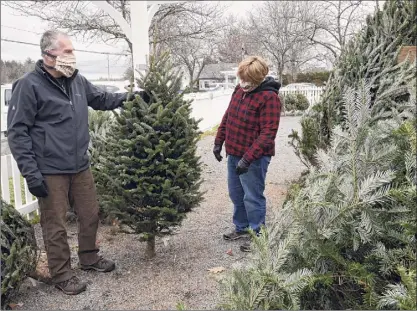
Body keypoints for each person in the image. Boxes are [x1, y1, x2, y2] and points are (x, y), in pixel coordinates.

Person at [7, 30, 149, 295]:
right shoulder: (29, 85)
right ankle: (61, 274)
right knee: (55, 224)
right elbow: (17, 132)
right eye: (67, 51)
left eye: (72, 51)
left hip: (79, 165)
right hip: (49, 170)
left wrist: (131, 96)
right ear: (49, 55)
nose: (72, 56)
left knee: (90, 213)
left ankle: (89, 257)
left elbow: (102, 99)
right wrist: (31, 174)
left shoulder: (76, 80)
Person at [213, 56, 281, 252]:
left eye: (247, 80)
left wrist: (247, 159)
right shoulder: (238, 90)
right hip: (234, 153)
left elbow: (268, 133)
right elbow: (228, 116)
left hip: (254, 159)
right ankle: (241, 228)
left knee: (252, 196)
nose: (242, 83)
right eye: (240, 78)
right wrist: (219, 141)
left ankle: (258, 235)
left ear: (259, 78)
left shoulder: (269, 98)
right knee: (236, 194)